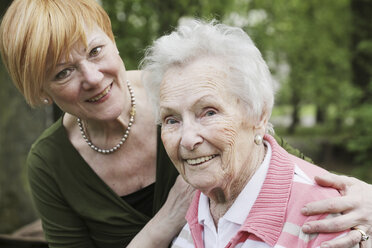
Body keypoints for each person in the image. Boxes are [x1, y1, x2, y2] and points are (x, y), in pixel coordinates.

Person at [0, 0, 370, 247]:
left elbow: (269, 156)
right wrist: (167, 220)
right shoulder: (50, 162)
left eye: (96, 51)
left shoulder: (179, 85)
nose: (93, 77)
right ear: (42, 93)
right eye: (64, 72)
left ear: (112, 42)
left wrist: (361, 198)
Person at [141, 19, 372, 248]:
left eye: (209, 113)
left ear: (259, 115)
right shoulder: (189, 210)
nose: (188, 139)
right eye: (172, 120)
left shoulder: (324, 217)